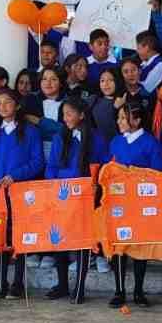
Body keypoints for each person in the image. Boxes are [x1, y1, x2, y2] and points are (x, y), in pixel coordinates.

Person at [45, 97, 110, 304]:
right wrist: (55, 186)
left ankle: (79, 287)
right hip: (62, 196)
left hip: (86, 198)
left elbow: (102, 166)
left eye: (70, 114)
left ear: (82, 115)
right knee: (60, 240)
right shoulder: (59, 137)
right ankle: (62, 284)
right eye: (63, 114)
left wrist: (94, 185)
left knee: (83, 241)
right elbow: (52, 167)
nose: (66, 118)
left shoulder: (97, 138)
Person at [0, 89, 45, 300]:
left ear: (17, 105)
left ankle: (18, 282)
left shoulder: (29, 131)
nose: (2, 106)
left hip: (20, 192)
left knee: (19, 235)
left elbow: (38, 162)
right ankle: (1, 281)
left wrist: (15, 176)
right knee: (1, 235)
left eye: (8, 102)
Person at [108, 102, 162, 308]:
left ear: (137, 120)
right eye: (119, 118)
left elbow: (158, 173)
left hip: (142, 202)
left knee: (139, 246)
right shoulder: (115, 141)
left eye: (123, 118)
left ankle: (139, 290)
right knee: (119, 245)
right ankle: (119, 290)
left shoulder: (150, 143)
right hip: (119, 202)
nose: (119, 122)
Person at [89, 67, 127, 143]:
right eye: (102, 81)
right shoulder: (93, 100)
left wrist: (116, 109)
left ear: (117, 81)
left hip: (119, 143)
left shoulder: (124, 100)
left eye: (110, 80)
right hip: (98, 144)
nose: (106, 84)